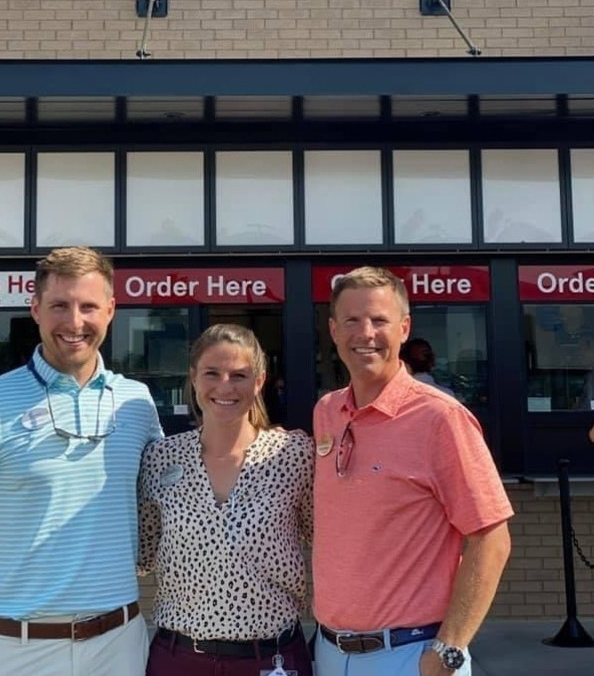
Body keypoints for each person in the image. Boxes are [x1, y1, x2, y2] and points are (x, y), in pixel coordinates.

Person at [0, 246, 163, 676]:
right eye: (59, 306)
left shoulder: (136, 403)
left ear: (110, 310)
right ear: (35, 309)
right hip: (13, 649)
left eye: (88, 306)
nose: (74, 322)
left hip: (119, 646)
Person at [313, 267, 512, 676]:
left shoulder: (441, 418)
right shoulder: (327, 411)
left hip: (410, 655)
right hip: (329, 650)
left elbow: (491, 539)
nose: (365, 333)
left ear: (404, 328)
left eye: (379, 320)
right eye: (351, 320)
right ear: (334, 330)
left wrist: (449, 651)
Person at [139, 324, 313, 676]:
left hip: (271, 658)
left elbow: (326, 543)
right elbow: (143, 554)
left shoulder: (294, 455)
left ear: (260, 381)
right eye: (212, 373)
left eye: (239, 375)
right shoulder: (160, 459)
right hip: (180, 658)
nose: (225, 387)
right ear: (193, 378)